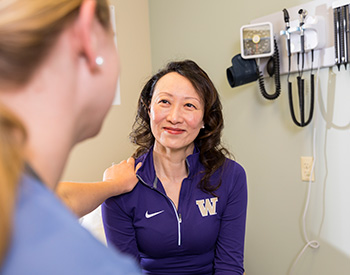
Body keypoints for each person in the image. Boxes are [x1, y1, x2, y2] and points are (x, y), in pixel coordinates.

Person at [0, 0, 141, 274]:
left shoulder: (17, 190)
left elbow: (54, 199)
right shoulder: (98, 266)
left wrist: (111, 186)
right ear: (87, 36)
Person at [102, 60, 248, 274]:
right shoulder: (120, 185)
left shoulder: (230, 176)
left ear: (205, 118)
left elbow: (229, 265)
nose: (174, 117)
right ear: (148, 108)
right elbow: (125, 270)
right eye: (164, 102)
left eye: (189, 105)